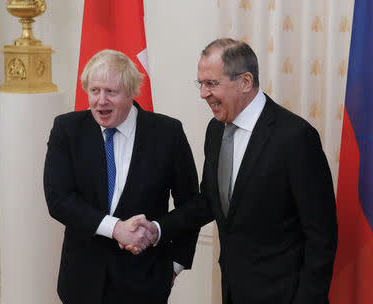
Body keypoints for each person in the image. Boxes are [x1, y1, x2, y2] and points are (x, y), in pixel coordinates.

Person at [131, 38, 338, 304]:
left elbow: (321, 235)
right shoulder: (216, 130)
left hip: (285, 294)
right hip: (233, 291)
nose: (203, 93)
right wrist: (156, 228)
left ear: (245, 82)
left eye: (212, 84)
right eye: (201, 83)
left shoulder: (295, 137)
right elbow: (208, 201)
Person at [43, 49, 199, 304]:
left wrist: (175, 265)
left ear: (130, 92)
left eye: (111, 92)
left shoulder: (167, 133)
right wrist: (116, 229)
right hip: (82, 282)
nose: (100, 101)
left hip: (146, 282)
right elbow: (59, 200)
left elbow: (191, 204)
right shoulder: (67, 129)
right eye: (94, 90)